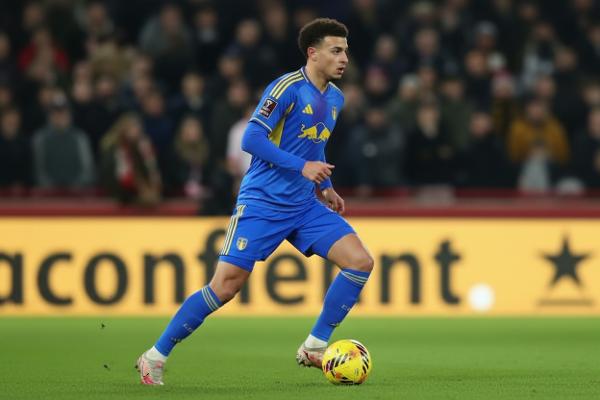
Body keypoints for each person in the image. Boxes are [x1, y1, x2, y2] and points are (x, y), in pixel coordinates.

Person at [136, 18, 374, 385]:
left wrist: (325, 186)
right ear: (313, 53)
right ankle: (154, 356)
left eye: (345, 51)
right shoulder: (286, 88)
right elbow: (251, 139)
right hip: (263, 202)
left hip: (303, 205)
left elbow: (315, 142)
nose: (344, 58)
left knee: (359, 262)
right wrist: (302, 167)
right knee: (225, 287)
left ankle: (314, 346)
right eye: (336, 51)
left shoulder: (336, 98)